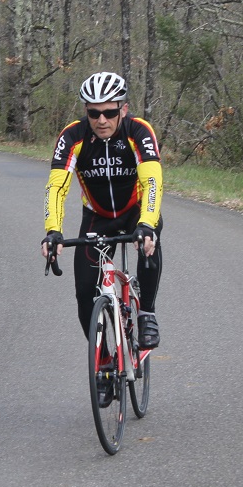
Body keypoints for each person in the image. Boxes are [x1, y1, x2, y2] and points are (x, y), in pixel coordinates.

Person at [41, 72, 163, 348]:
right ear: (86, 111)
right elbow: (56, 187)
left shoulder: (138, 131)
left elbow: (152, 181)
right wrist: (53, 231)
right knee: (84, 292)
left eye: (109, 112)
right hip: (97, 217)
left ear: (124, 108)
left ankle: (147, 313)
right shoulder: (73, 135)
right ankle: (104, 362)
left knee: (149, 242)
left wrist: (147, 224)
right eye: (94, 113)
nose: (102, 120)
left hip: (135, 211)